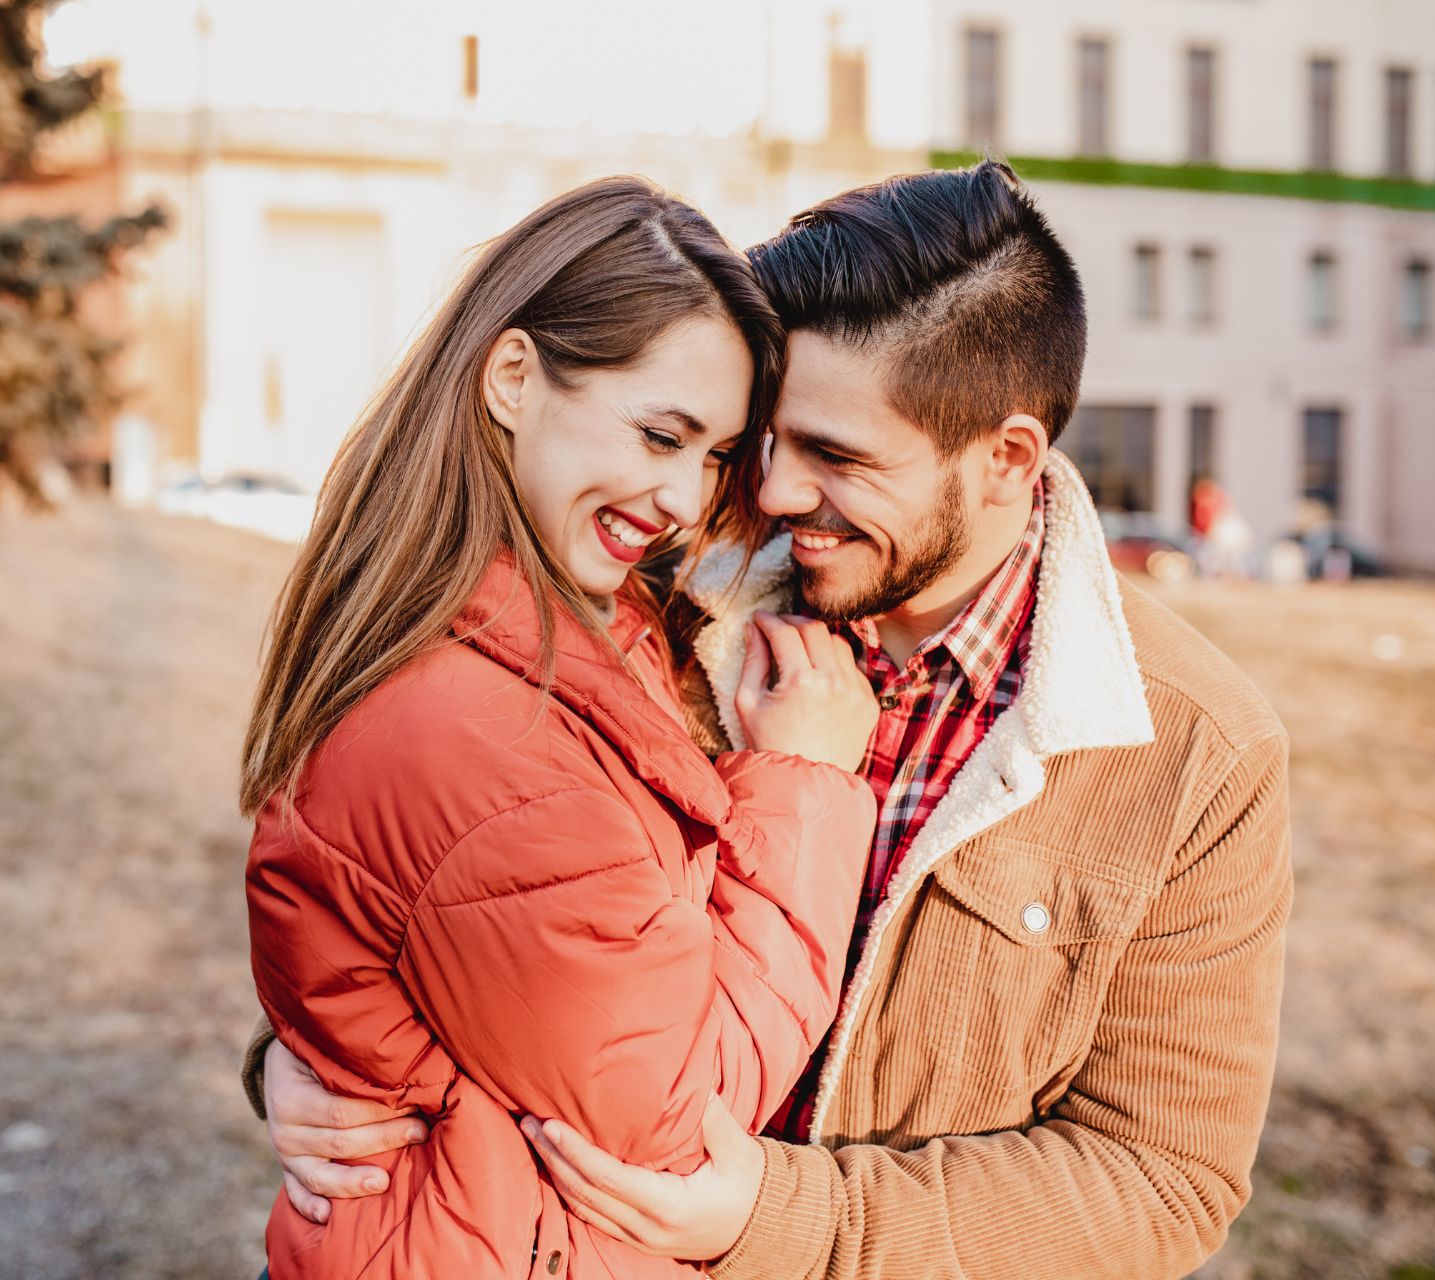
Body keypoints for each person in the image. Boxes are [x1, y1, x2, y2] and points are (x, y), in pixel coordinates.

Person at [251, 162, 1293, 1280]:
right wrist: (314, 1058)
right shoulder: (653, 584)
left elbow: (1161, 1176)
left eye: (838, 456)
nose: (772, 495)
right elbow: (425, 866)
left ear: (1006, 460)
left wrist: (780, 1217)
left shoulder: (1190, 750)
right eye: (764, 440)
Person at [239, 176, 887, 1279]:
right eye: (659, 432)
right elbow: (680, 1115)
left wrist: (287, 1056)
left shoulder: (567, 621)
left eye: (715, 454)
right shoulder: (484, 740)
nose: (687, 496)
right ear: (511, 375)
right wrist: (807, 782)